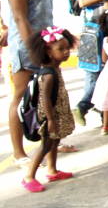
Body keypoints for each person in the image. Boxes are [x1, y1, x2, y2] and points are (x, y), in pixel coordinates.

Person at [7, 0, 56, 168]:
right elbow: (20, 19)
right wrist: (34, 50)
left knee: (44, 98)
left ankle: (48, 145)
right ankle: (19, 153)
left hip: (44, 45)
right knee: (21, 98)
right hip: (26, 47)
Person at [21, 26, 78, 192]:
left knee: (55, 141)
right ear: (48, 51)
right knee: (46, 144)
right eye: (61, 49)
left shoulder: (55, 68)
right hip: (49, 116)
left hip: (56, 113)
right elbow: (45, 98)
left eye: (68, 48)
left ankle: (52, 170)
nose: (66, 52)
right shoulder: (49, 74)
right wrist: (51, 119)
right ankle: (28, 177)